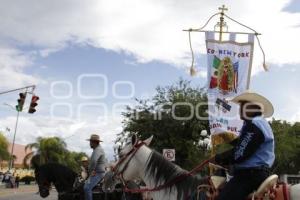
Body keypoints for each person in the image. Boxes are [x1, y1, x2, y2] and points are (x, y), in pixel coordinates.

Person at [212, 91, 275, 200]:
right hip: (256, 173)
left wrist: (218, 158)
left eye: (243, 106)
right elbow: (245, 144)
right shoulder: (259, 123)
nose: (240, 109)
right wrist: (228, 138)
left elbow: (240, 153)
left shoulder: (254, 124)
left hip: (249, 175)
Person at [84, 134, 106, 200]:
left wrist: (90, 172)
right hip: (97, 172)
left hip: (99, 173)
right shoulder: (97, 149)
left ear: (94, 142)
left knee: (87, 188)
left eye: (90, 142)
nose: (89, 143)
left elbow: (93, 161)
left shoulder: (98, 149)